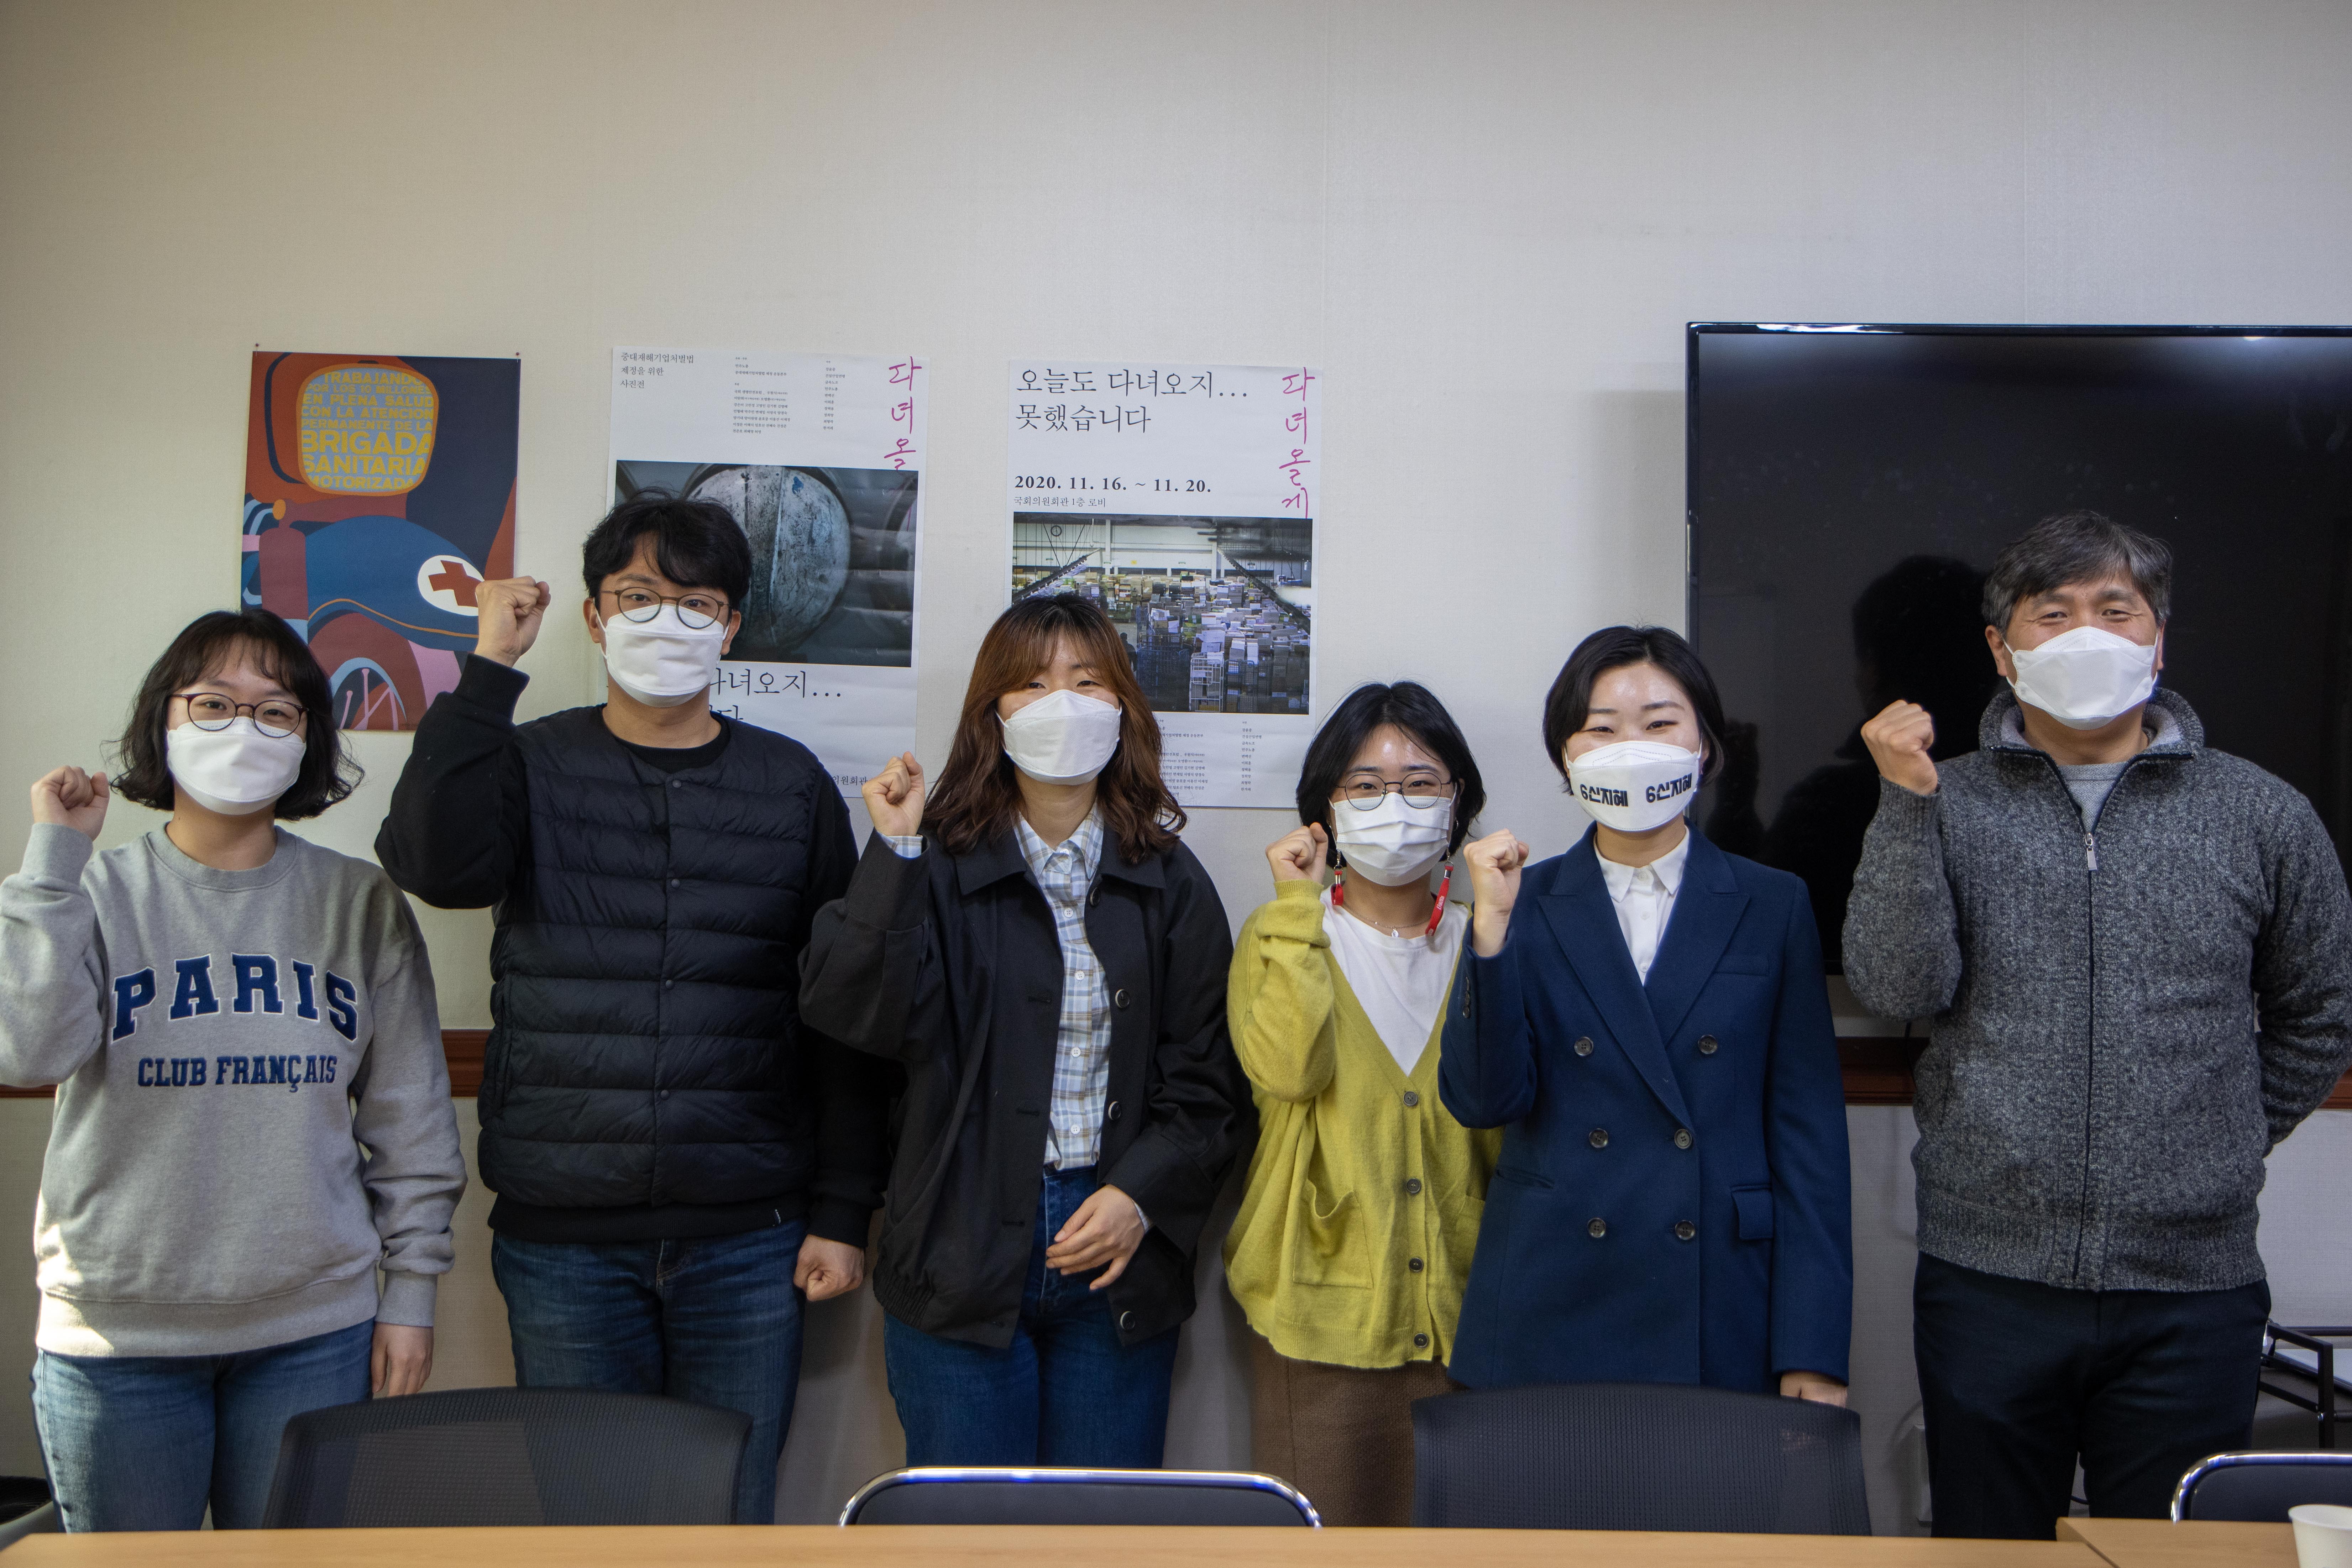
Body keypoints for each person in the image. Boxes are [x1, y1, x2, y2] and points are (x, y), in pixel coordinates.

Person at [374, 493, 892, 1525]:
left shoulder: (789, 784)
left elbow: (837, 1012)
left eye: (697, 603)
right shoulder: (529, 760)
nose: (668, 622)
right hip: (566, 1236)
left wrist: (843, 1211)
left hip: (749, 1232)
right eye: (639, 597)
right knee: (586, 1518)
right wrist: (490, 669)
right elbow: (436, 866)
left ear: (731, 627)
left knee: (731, 1515)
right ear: (595, 616)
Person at [1844, 510, 2352, 1537]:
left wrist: (2216, 1137)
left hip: (2193, 1288)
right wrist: (1904, 803)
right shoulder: (1947, 800)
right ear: (2003, 650)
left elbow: (2321, 1011)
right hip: (1989, 1277)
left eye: (2116, 610)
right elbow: (1898, 982)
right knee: (1988, 1547)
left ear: (2158, 640)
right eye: (2055, 613)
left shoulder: (2262, 813)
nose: (2088, 633)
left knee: (2172, 1552)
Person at [1, 609, 465, 1532]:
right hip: (119, 1332)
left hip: (314, 1330)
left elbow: (410, 1117)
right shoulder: (89, 891)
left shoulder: (360, 903)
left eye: (276, 710)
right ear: (164, 719)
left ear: (307, 740)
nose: (243, 727)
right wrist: (54, 860)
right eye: (213, 703)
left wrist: (411, 1290)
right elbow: (30, 1052)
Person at [800, 593, 1251, 1468]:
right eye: (1033, 685)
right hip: (957, 1244)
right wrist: (893, 854)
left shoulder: (1170, 879)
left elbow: (1207, 1083)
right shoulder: (930, 858)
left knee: (1100, 1528)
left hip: (1115, 1252)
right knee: (968, 1527)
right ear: (993, 711)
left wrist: (1138, 1197)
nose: (1062, 705)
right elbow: (851, 1021)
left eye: (1087, 682)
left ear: (1122, 706)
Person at [1439, 625, 1852, 1399]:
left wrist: (1814, 1346)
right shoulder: (1520, 898)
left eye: (1659, 723)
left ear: (1705, 746)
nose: (1631, 748)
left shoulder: (1772, 903)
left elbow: (1810, 1141)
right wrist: (1489, 931)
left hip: (1718, 1294)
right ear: (1566, 756)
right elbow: (1482, 1101)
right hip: (1551, 1291)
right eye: (1602, 729)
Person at [1223, 682, 1501, 1526]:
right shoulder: (1280, 934)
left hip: (1476, 1319)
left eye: (1420, 783)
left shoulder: (1488, 938)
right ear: (1328, 810)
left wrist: (1496, 933)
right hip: (1320, 1320)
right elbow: (1288, 1073)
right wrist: (1297, 907)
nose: (1395, 805)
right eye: (1366, 785)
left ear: (1456, 804)